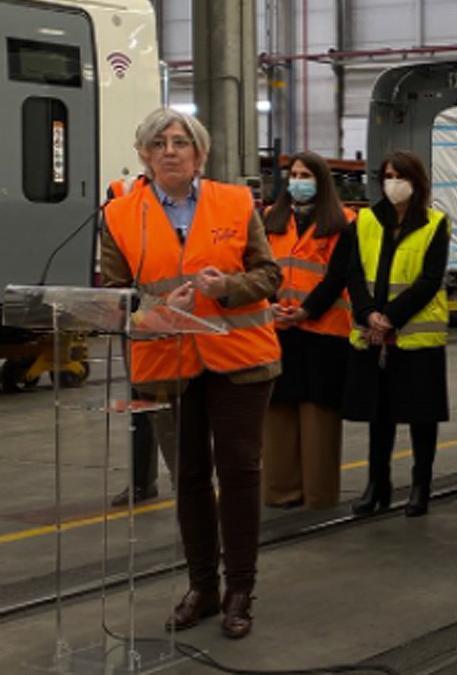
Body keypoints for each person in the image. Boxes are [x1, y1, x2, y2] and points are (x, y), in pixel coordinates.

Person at [100, 108, 281, 639]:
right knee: (190, 480)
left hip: (240, 360)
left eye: (181, 142)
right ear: (144, 156)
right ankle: (203, 587)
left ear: (200, 155)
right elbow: (113, 294)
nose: (170, 150)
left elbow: (268, 274)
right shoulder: (118, 215)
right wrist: (149, 308)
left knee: (240, 472)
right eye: (158, 143)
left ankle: (240, 589)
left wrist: (227, 287)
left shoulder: (235, 201)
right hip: (167, 362)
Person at [343, 151, 450, 518]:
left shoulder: (436, 223)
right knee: (380, 415)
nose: (392, 183)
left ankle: (421, 486)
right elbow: (354, 273)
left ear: (415, 181)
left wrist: (390, 317)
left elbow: (429, 281)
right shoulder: (365, 221)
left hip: (416, 336)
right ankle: (378, 485)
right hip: (373, 334)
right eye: (387, 175)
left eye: (399, 176)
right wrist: (367, 314)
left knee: (422, 416)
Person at [262, 153, 357, 510]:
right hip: (278, 329)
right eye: (294, 174)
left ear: (321, 181)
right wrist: (271, 306)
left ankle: (319, 494)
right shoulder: (271, 219)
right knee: (278, 411)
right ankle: (279, 490)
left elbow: (337, 276)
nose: (298, 180)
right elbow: (259, 266)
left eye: (306, 175)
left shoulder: (344, 222)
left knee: (319, 416)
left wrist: (305, 311)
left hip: (323, 332)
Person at [105, 175, 178, 506]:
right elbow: (114, 272)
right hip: (137, 319)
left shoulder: (188, 197)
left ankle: (186, 481)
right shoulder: (121, 193)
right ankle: (140, 482)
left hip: (178, 322)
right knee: (140, 404)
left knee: (170, 411)